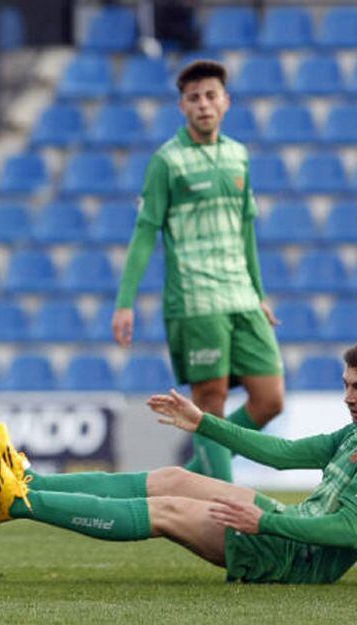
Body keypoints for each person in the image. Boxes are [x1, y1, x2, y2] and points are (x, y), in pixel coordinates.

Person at [0, 340, 357, 584]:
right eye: (347, 384)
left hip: (296, 560)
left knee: (168, 510)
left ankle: (20, 503)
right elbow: (281, 455)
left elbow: (347, 531)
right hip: (286, 526)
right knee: (172, 478)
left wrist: (264, 522)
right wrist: (204, 423)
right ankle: (30, 480)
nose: (348, 397)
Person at [111, 59, 284, 482]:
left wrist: (258, 293)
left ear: (226, 102)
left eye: (211, 95)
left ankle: (194, 473)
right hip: (196, 301)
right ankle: (223, 505)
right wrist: (125, 302)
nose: (203, 104)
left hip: (241, 296)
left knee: (270, 399)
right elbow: (145, 232)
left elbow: (246, 232)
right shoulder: (167, 163)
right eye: (194, 98)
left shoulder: (238, 155)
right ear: (182, 107)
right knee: (211, 404)